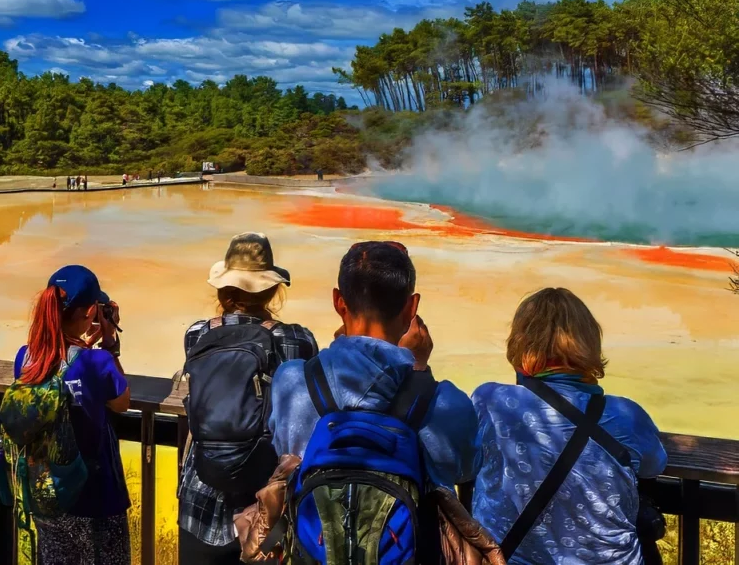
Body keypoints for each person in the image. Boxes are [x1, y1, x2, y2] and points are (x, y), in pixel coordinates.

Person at [266, 241, 478, 563]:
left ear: (339, 302)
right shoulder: (444, 402)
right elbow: (464, 468)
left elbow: (288, 448)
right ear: (412, 308)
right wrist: (419, 370)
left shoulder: (292, 382)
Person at [471, 288, 667, 565]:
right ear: (589, 346)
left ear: (521, 345)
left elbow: (463, 459)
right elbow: (654, 466)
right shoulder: (627, 416)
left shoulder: (489, 401)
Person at [178, 232, 318, 564]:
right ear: (271, 288)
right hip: (264, 504)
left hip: (200, 496)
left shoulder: (197, 334)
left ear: (222, 289)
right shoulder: (295, 340)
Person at [8, 265, 131, 565]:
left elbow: (62, 365)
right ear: (91, 312)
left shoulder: (26, 357)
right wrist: (110, 344)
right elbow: (121, 403)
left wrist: (82, 346)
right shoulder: (98, 362)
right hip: (95, 495)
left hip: (47, 492)